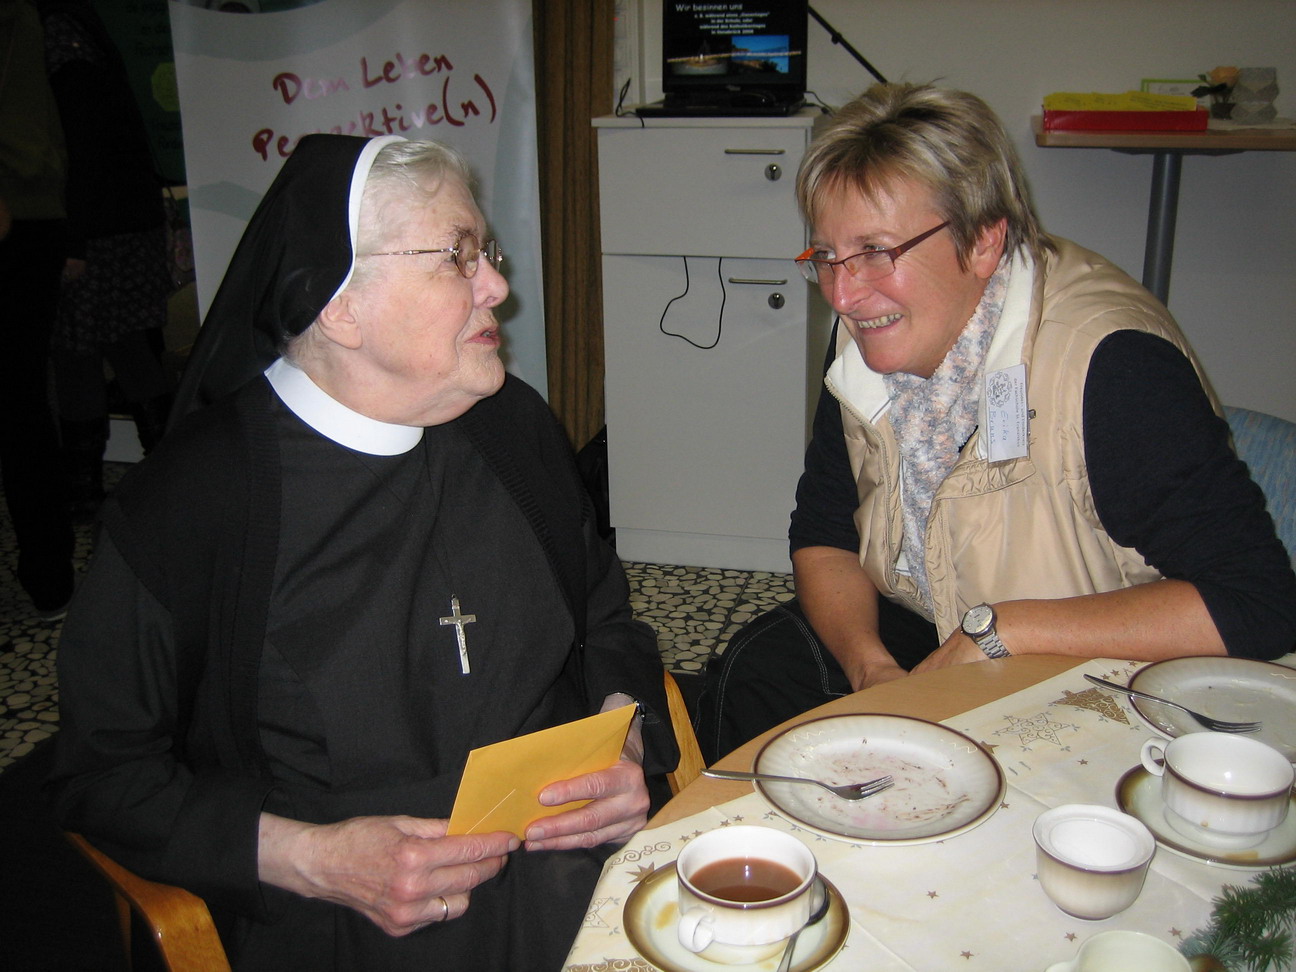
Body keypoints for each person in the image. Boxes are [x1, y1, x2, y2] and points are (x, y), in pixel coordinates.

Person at [49, 134, 677, 971]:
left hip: (574, 874)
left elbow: (604, 622)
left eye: (483, 250)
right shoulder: (192, 504)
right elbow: (102, 776)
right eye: (458, 258)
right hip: (349, 923)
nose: (497, 283)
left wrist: (623, 736)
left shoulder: (515, 427)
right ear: (339, 305)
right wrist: (310, 858)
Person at [696, 83, 1296, 764]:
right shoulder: (867, 331)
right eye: (827, 256)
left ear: (984, 241)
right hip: (932, 620)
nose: (843, 292)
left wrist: (1005, 630)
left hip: (1089, 657)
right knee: (752, 679)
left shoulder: (1114, 367)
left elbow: (1256, 604)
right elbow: (826, 529)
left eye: (874, 252)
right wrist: (872, 674)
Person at [39, 0, 174, 518]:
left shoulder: (54, 39)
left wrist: (73, 241)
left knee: (78, 354)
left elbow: (80, 146)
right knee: (126, 345)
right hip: (121, 220)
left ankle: (84, 491)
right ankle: (169, 473)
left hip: (95, 229)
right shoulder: (81, 31)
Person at [0, 0, 75, 618]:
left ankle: (49, 570)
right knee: (22, 403)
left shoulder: (25, 21)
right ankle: (49, 571)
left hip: (24, 216)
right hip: (31, 213)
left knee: (20, 404)